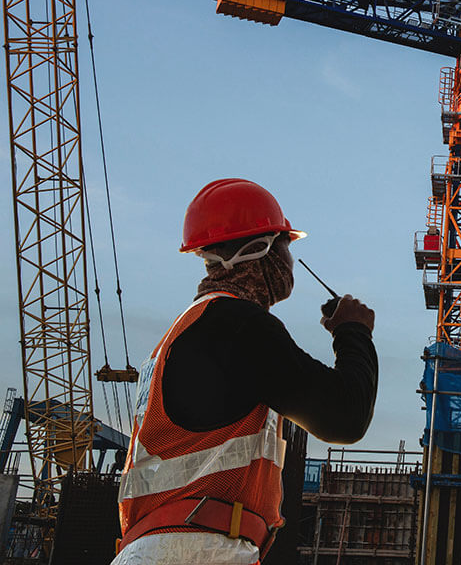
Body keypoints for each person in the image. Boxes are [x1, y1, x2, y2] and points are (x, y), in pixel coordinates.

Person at [112, 178, 378, 564]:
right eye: (285, 244)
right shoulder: (239, 324)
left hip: (163, 546)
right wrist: (354, 333)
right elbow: (346, 417)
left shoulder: (188, 329)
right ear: (262, 248)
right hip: (198, 548)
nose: (289, 261)